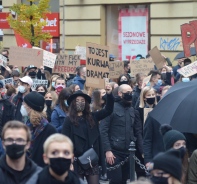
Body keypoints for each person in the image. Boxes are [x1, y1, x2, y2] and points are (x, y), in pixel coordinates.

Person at [62, 85, 114, 184]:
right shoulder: (68, 120)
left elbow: (108, 110)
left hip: (91, 158)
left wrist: (109, 94)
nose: (80, 103)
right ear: (73, 103)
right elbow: (64, 140)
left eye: (82, 101)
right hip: (76, 159)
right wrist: (68, 159)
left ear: (86, 103)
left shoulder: (93, 117)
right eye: (77, 101)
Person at [100, 84, 143, 183]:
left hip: (129, 152)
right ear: (120, 93)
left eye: (131, 92)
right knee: (116, 180)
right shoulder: (110, 108)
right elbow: (103, 130)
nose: (130, 95)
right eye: (127, 93)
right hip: (114, 152)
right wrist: (107, 150)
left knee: (124, 180)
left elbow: (137, 131)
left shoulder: (132, 110)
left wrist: (141, 149)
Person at [23, 91, 57, 167]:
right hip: (26, 170)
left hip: (43, 172)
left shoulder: (49, 130)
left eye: (24, 104)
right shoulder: (26, 126)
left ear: (30, 107)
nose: (23, 106)